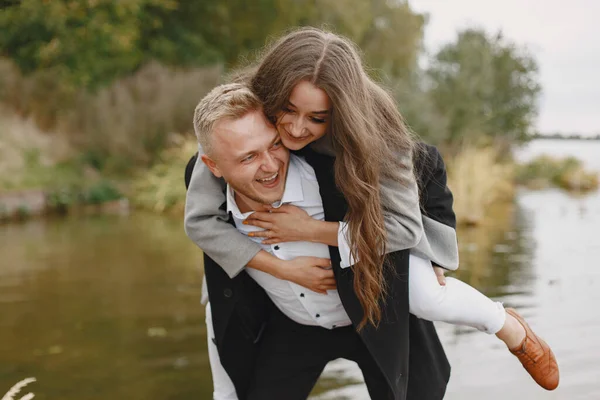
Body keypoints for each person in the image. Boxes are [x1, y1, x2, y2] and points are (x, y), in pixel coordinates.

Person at [185, 28, 559, 399]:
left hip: (376, 263)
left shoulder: (375, 133)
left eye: (316, 117)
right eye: (287, 110)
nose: (297, 128)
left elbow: (417, 197)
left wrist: (314, 230)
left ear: (339, 112)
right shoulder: (243, 121)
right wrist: (278, 266)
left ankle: (508, 327)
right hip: (294, 315)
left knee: (427, 295)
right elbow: (217, 168)